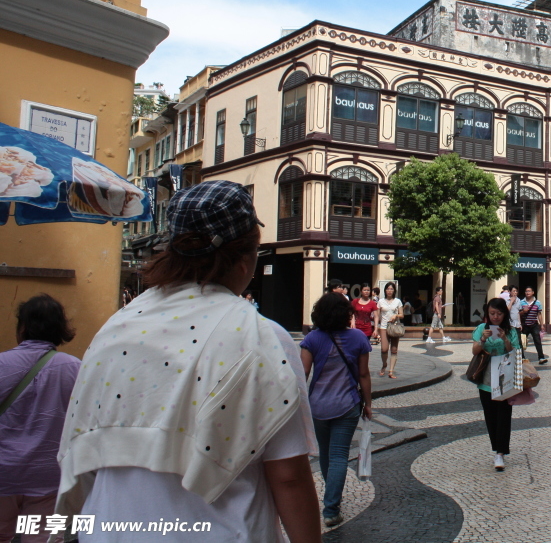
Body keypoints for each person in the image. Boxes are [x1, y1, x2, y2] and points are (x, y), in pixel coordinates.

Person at [54, 180, 320, 543]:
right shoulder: (259, 337)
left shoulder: (117, 326)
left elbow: (82, 453)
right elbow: (287, 475)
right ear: (245, 257)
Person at [0, 295, 80, 543]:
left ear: (22, 328)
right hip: (50, 475)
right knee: (43, 537)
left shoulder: (1, 363)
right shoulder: (76, 368)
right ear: (60, 330)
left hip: (2, 471)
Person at [300, 292, 372, 528]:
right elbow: (363, 374)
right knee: (339, 455)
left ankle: (331, 500)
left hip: (318, 405)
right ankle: (331, 509)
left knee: (325, 453)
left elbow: (303, 375)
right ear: (346, 314)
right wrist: (368, 403)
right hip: (347, 404)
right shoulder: (358, 338)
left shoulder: (312, 339)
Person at [472, 298, 522, 471]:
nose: (495, 317)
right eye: (492, 313)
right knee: (490, 415)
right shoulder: (481, 328)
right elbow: (475, 351)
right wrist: (483, 340)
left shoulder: (511, 331)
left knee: (503, 414)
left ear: (504, 314)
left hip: (504, 376)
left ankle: (500, 452)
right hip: (486, 377)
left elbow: (515, 351)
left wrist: (505, 338)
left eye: (499, 314)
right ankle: (496, 448)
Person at [377, 282, 404, 378]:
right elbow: (377, 315)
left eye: (391, 289)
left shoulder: (398, 301)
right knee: (384, 349)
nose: (389, 291)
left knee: (394, 349)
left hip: (394, 327)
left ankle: (391, 371)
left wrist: (396, 315)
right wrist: (376, 328)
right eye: (388, 289)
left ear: (394, 291)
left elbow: (402, 314)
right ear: (385, 290)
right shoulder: (381, 301)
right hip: (384, 327)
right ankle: (384, 365)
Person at [519, 286, 547, 364]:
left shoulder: (537, 302)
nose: (527, 292)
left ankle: (541, 357)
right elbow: (518, 313)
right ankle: (522, 357)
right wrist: (523, 312)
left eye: (529, 291)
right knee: (522, 341)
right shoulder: (521, 302)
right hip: (524, 325)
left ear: (533, 292)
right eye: (526, 291)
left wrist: (541, 325)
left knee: (537, 340)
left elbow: (539, 314)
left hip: (534, 324)